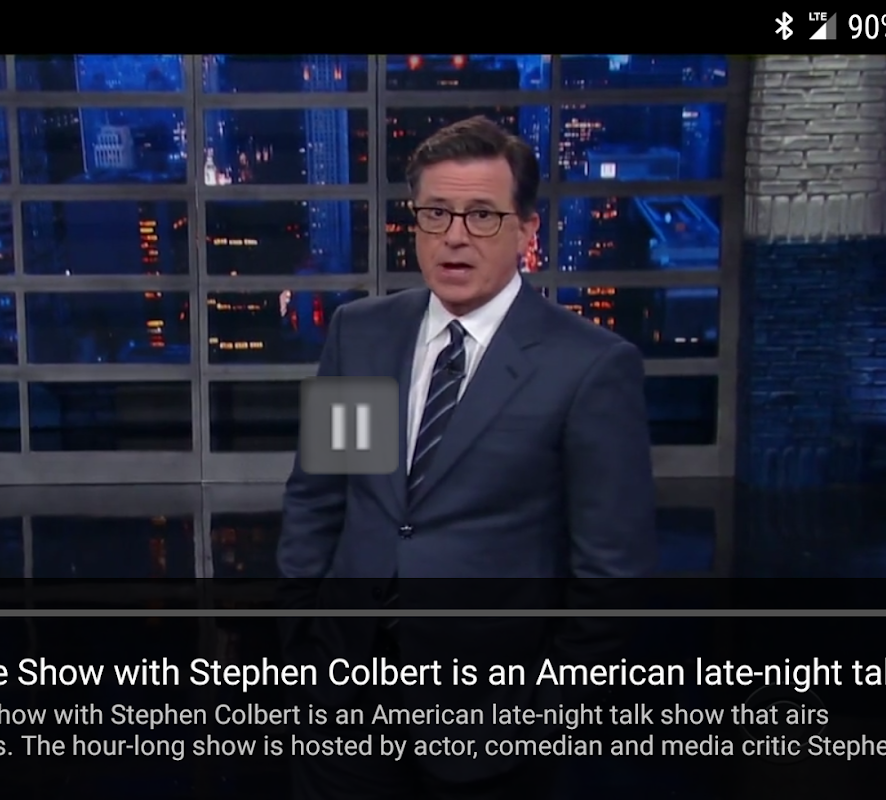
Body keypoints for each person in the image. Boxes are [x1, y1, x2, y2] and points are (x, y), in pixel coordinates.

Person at [278, 115, 656, 799]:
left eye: (483, 215)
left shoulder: (589, 366)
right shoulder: (364, 334)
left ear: (527, 230)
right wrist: (301, 639)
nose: (455, 236)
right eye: (436, 214)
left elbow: (611, 571)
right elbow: (322, 494)